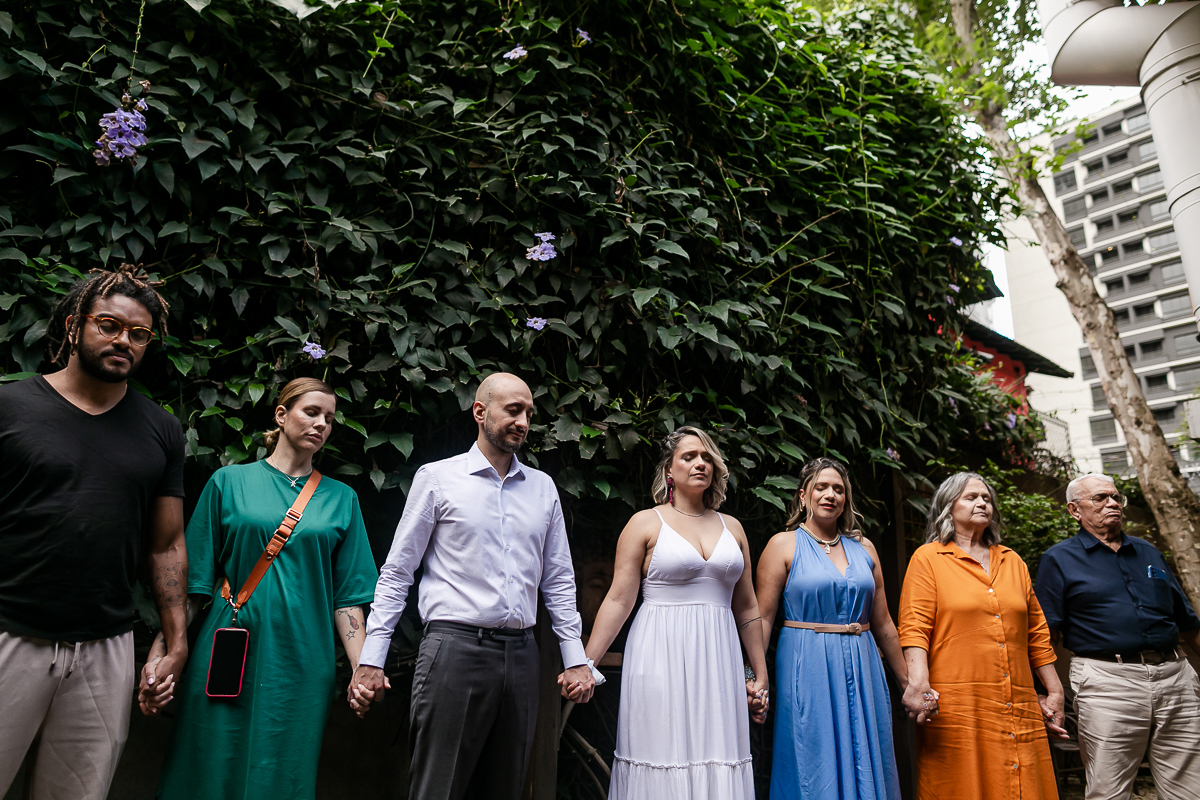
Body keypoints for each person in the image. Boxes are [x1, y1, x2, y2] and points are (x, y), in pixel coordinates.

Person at [352, 372, 596, 800]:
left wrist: (575, 658)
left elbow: (557, 580)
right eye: (513, 409)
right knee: (438, 789)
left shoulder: (543, 488)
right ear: (480, 412)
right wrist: (372, 658)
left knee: (505, 789)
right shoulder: (437, 478)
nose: (522, 421)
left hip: (523, 656)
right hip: (453, 650)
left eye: (529, 413)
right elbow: (397, 572)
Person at [0, 265, 188, 800]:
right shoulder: (10, 407)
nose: (122, 340)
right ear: (74, 326)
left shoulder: (161, 429)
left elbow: (167, 543)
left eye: (138, 334)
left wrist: (175, 643)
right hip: (10, 632)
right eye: (108, 325)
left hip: (105, 649)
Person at [154, 377, 378, 800]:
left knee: (282, 769)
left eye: (329, 418)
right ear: (281, 414)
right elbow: (193, 587)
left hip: (303, 659)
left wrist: (359, 670)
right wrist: (163, 652)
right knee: (206, 765)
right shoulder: (228, 482)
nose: (321, 424)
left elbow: (348, 600)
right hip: (226, 649)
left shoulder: (341, 498)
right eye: (311, 412)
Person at [583, 425, 767, 798]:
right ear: (669, 470)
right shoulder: (645, 523)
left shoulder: (733, 527)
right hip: (660, 652)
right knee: (662, 752)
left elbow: (746, 607)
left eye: (706, 458)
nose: (700, 463)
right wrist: (585, 664)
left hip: (720, 659)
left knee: (719, 753)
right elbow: (619, 599)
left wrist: (757, 673)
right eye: (689, 457)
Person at [899, 471, 1068, 800]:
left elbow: (1036, 631)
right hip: (957, 704)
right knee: (961, 784)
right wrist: (918, 682)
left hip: (1017, 699)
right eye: (971, 497)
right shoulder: (928, 558)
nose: (981, 503)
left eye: (986, 498)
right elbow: (915, 625)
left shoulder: (1012, 561)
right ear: (948, 507)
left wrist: (1054, 688)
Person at [1035, 473, 1200, 800]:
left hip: (1175, 677)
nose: (1112, 503)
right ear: (1074, 510)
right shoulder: (1059, 559)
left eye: (1115, 497)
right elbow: (1044, 634)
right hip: (1108, 680)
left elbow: (1188, 623)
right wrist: (1045, 692)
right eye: (1100, 498)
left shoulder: (1148, 553)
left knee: (1190, 787)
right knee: (1109, 789)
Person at [755, 457, 906, 800]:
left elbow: (883, 623)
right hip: (807, 664)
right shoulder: (783, 544)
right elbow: (760, 620)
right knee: (811, 755)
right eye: (821, 487)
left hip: (864, 663)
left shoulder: (864, 548)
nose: (830, 494)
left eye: (838, 489)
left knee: (869, 752)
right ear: (803, 496)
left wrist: (908, 684)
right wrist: (752, 676)